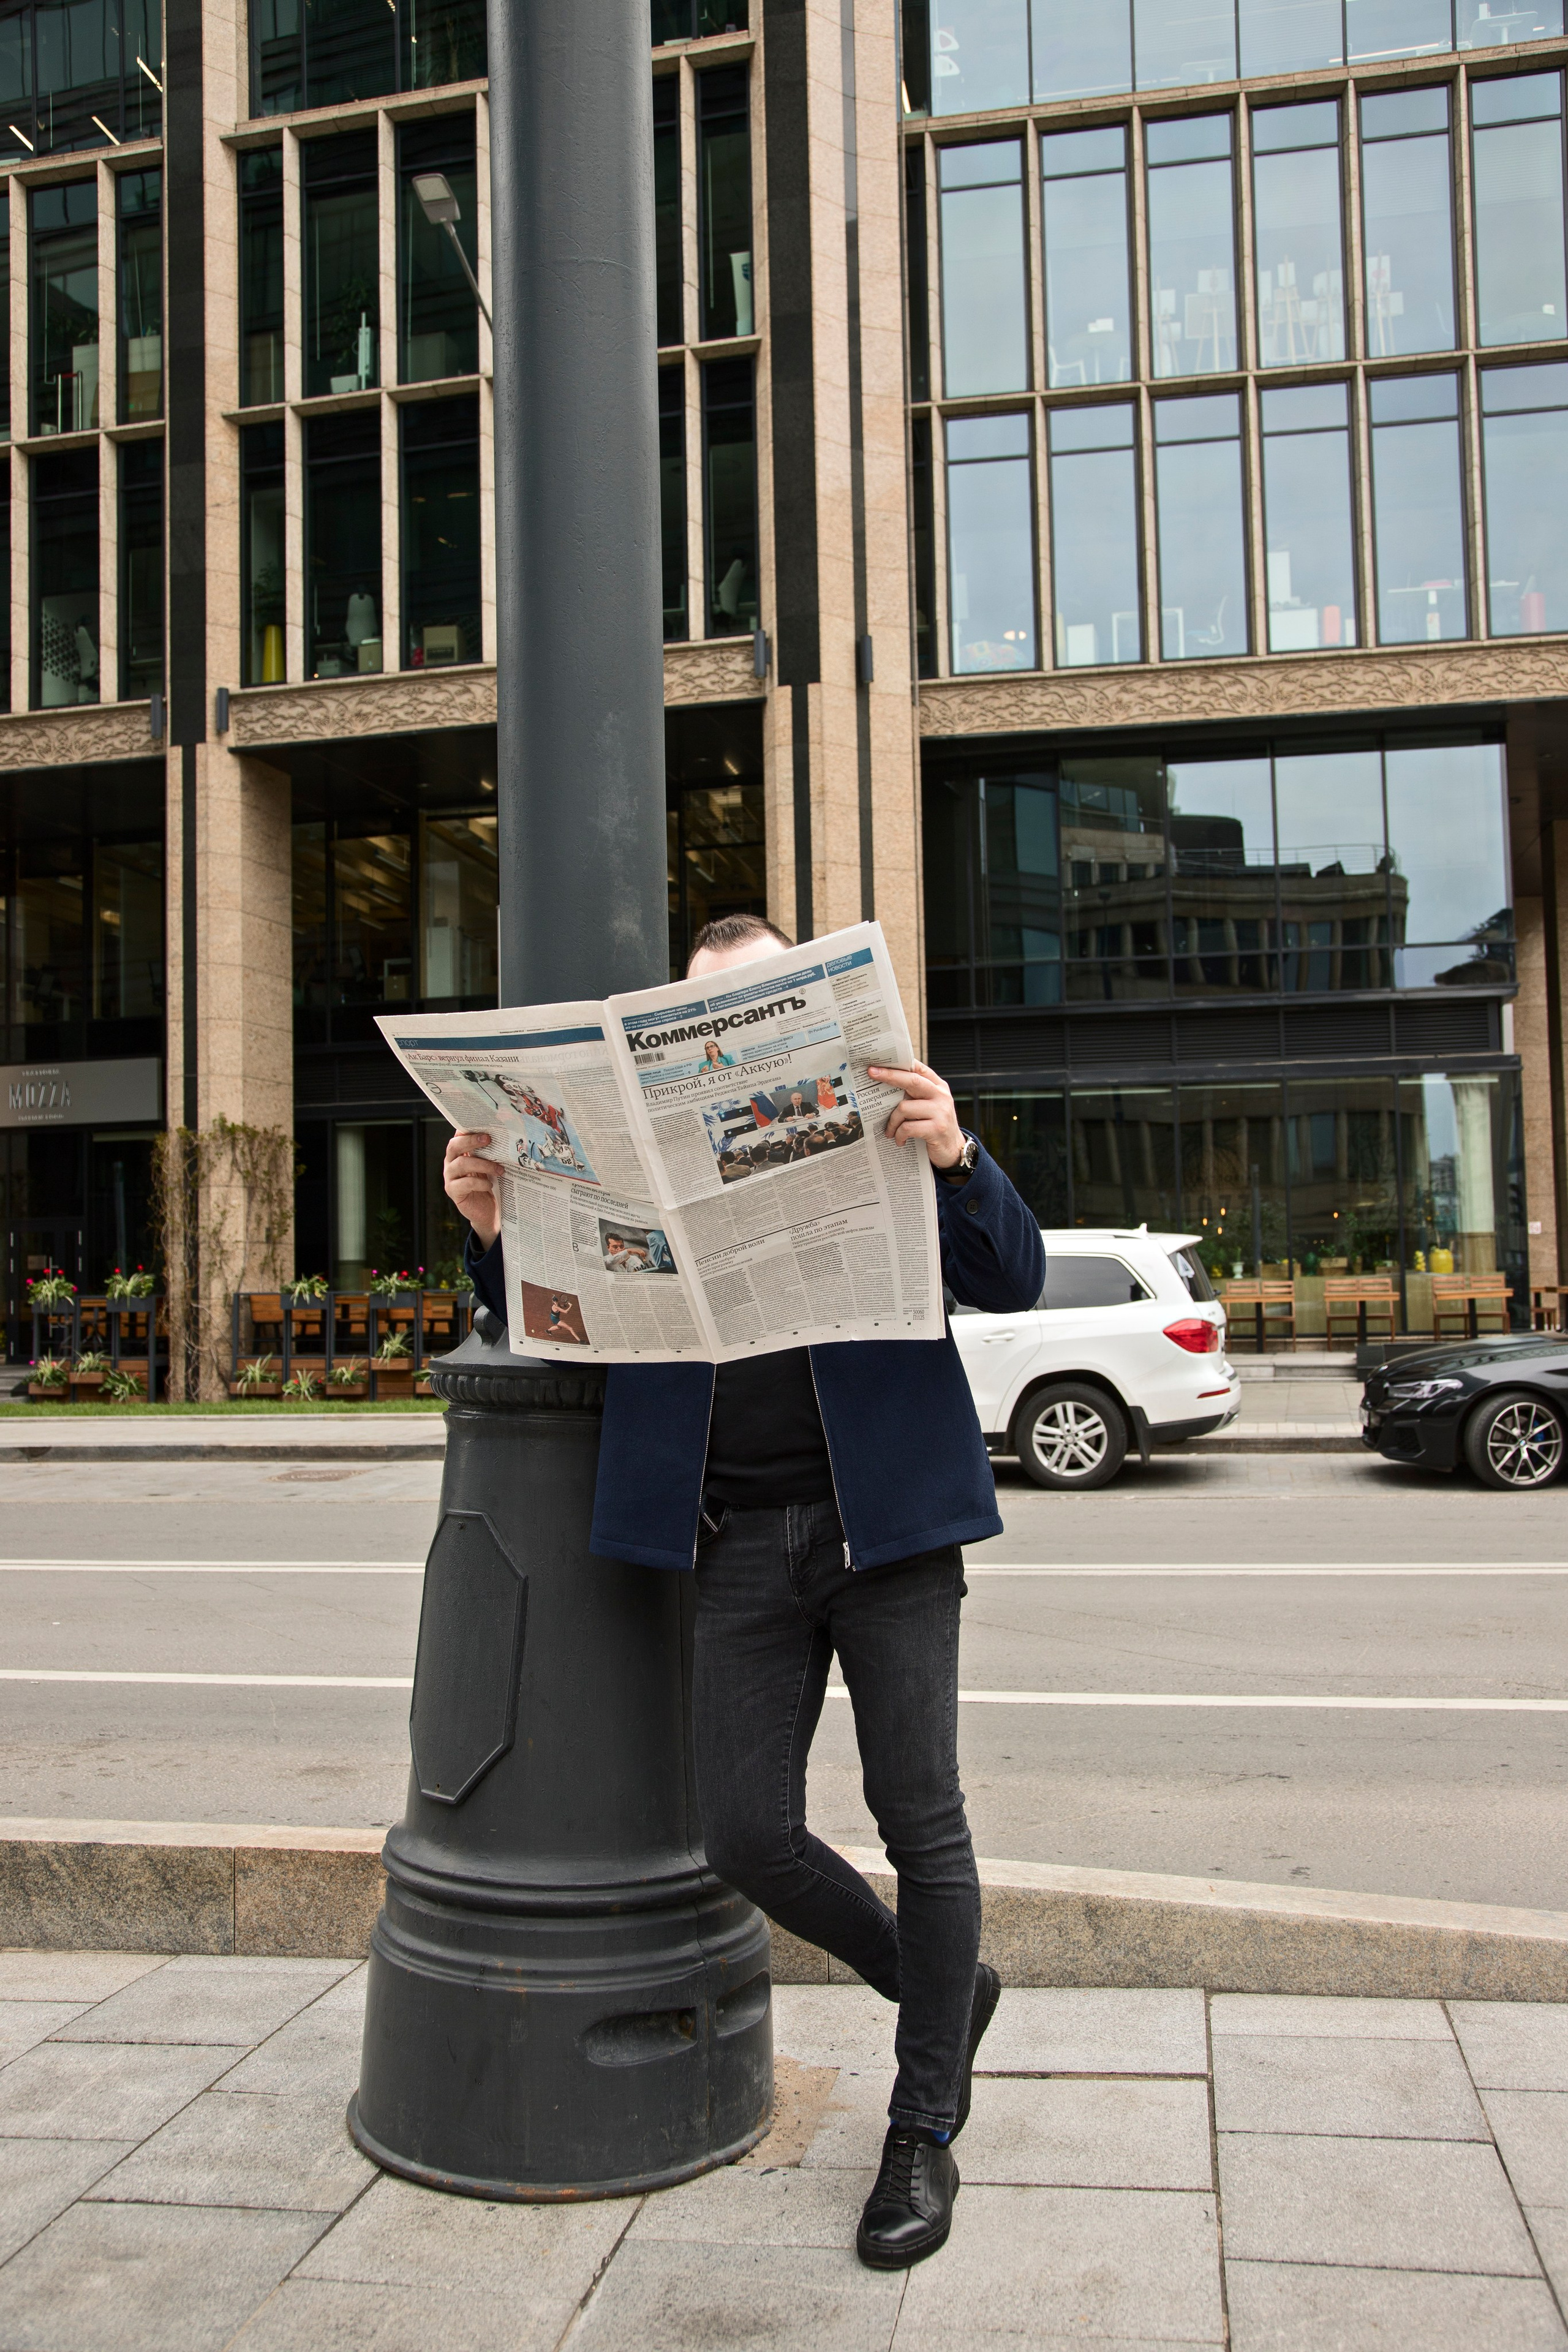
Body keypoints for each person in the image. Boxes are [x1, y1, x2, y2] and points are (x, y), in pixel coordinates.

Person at [443, 912, 1044, 2271]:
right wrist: (493, 1232)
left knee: (919, 1815)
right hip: (731, 1540)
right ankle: (943, 1993)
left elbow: (1008, 1274)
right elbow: (574, 1344)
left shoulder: (891, 1116)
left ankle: (922, 2123)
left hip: (887, 1532)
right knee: (745, 1838)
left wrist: (953, 1151)